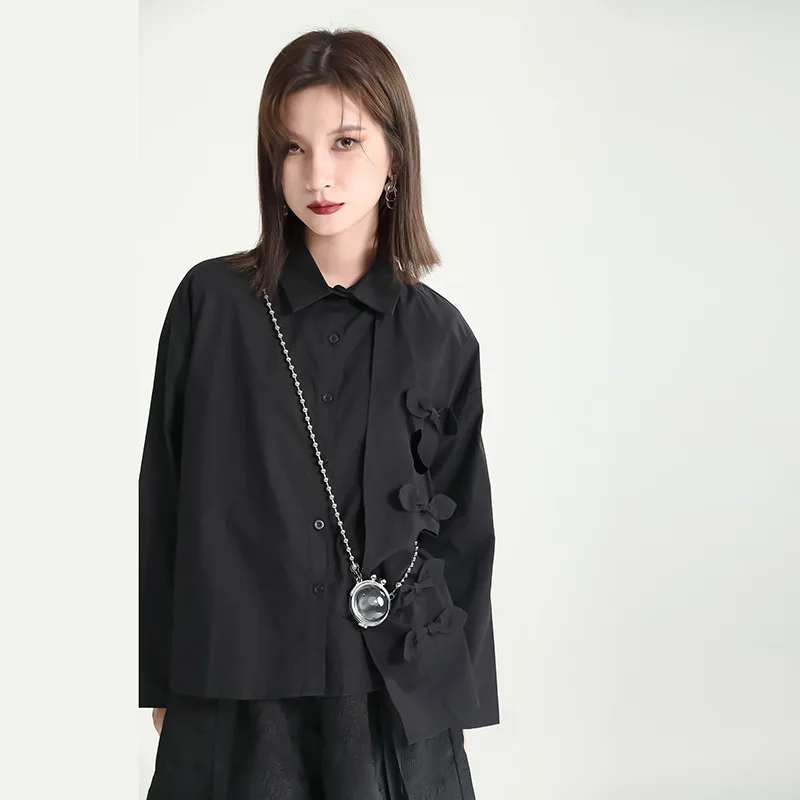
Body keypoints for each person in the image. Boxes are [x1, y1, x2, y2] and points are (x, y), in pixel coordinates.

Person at [140, 27, 499, 800]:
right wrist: (162, 677)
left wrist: (453, 697)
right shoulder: (211, 305)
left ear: (395, 155)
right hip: (238, 687)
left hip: (389, 699)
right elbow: (164, 496)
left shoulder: (440, 335)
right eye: (292, 149)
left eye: (344, 142)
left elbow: (465, 531)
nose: (318, 175)